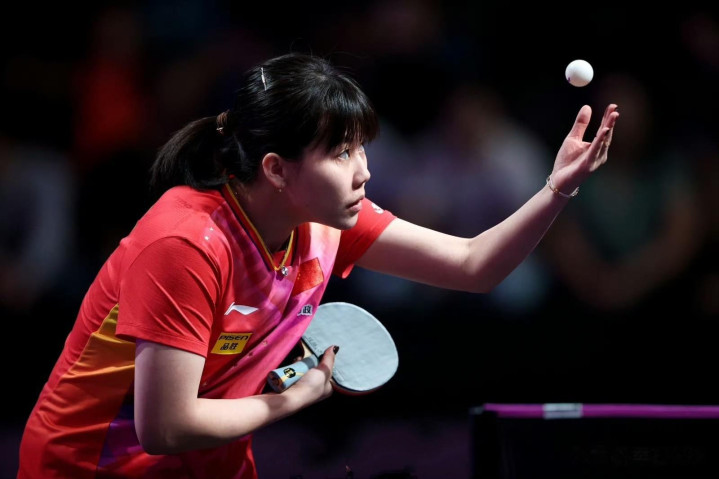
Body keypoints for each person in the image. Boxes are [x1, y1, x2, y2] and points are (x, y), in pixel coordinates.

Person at [17, 52, 618, 479]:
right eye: (341, 152)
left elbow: (473, 265)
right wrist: (295, 399)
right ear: (276, 169)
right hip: (87, 467)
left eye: (362, 147)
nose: (364, 171)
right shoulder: (186, 243)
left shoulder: (326, 223)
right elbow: (166, 427)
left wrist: (557, 188)